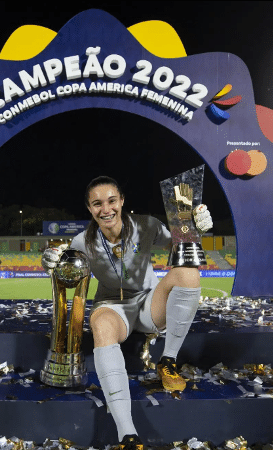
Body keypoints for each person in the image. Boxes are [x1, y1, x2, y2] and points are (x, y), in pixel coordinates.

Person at [41, 176, 213, 450]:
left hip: (148, 303)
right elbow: (64, 267)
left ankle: (167, 360)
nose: (106, 209)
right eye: (97, 204)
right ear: (89, 209)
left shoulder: (146, 225)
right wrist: (50, 262)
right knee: (101, 327)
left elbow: (180, 244)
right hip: (112, 307)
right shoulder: (81, 241)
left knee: (188, 273)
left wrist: (196, 227)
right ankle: (128, 435)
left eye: (111, 201)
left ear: (122, 201)